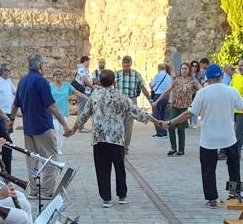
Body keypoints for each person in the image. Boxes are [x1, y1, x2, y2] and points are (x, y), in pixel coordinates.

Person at [167, 64, 243, 208]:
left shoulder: (203, 93)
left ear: (208, 77)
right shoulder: (232, 91)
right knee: (233, 165)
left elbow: (189, 113)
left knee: (208, 168)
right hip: (228, 136)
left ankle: (212, 199)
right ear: (221, 76)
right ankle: (235, 193)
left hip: (209, 138)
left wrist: (171, 122)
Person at [68, 69, 164, 207]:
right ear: (114, 81)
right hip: (117, 139)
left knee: (102, 169)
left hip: (99, 138)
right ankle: (122, 196)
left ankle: (106, 198)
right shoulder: (121, 97)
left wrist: (74, 129)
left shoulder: (94, 96)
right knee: (119, 168)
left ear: (100, 81)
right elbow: (138, 112)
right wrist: (157, 122)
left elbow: (84, 115)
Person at [10, 54, 67, 198]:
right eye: (44, 64)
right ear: (40, 65)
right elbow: (52, 106)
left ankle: (34, 190)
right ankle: (47, 191)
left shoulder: (22, 81)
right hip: (43, 126)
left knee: (32, 160)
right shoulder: (41, 81)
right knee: (50, 159)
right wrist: (65, 125)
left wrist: (11, 119)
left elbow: (15, 104)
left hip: (28, 127)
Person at [157, 63, 199, 156]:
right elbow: (167, 91)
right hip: (175, 106)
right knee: (171, 126)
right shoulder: (176, 80)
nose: (183, 70)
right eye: (182, 68)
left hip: (186, 108)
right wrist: (157, 101)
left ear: (189, 70)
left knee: (181, 128)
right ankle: (173, 148)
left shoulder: (193, 81)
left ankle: (181, 149)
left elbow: (202, 90)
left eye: (185, 68)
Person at [113, 56, 152, 154]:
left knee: (128, 126)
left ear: (131, 63)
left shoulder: (136, 75)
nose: (126, 64)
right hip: (119, 102)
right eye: (124, 63)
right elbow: (110, 87)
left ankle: (125, 147)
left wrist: (150, 100)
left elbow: (143, 88)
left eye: (128, 62)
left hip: (131, 101)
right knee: (117, 125)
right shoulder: (116, 75)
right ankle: (117, 145)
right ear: (122, 64)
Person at [149, 64, 172, 138]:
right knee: (163, 114)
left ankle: (159, 132)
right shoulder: (169, 77)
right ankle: (164, 131)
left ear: (158, 68)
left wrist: (150, 83)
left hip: (158, 95)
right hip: (166, 96)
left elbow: (152, 85)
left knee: (156, 114)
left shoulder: (158, 75)